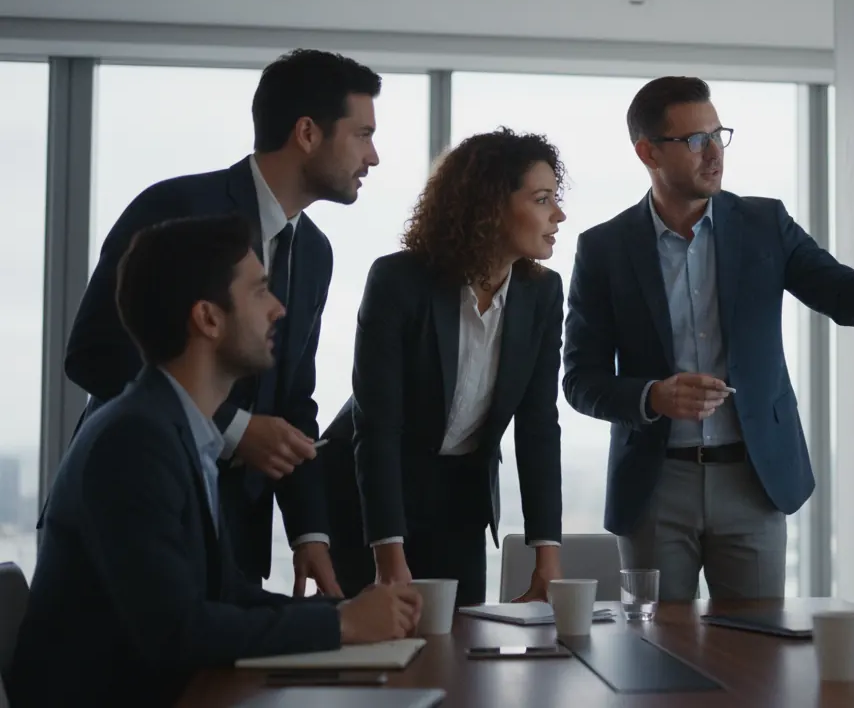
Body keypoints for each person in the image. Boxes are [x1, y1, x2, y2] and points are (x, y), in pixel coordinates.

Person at [562, 76, 854, 601]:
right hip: (654, 485)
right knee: (655, 646)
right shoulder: (604, 248)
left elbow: (848, 298)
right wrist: (653, 396)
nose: (715, 153)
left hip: (753, 479)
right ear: (648, 152)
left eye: (719, 135)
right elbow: (581, 380)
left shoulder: (765, 223)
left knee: (756, 644)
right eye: (695, 140)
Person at [6, 215, 421, 708]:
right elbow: (178, 630)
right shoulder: (135, 442)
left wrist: (345, 612)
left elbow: (225, 596)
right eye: (259, 291)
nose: (278, 309)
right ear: (208, 318)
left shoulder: (178, 430)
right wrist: (341, 625)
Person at [62, 48, 383, 596]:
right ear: (307, 133)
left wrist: (309, 532)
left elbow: (292, 400)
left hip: (235, 544)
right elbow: (94, 352)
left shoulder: (315, 252)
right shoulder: (179, 207)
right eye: (363, 134)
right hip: (131, 522)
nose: (373, 156)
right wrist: (234, 430)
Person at [321, 128, 567, 605]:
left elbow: (538, 425)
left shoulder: (542, 293)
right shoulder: (399, 281)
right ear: (490, 205)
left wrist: (548, 559)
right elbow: (377, 427)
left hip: (460, 494)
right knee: (382, 638)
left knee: (462, 639)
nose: (558, 215)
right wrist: (389, 561)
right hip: (368, 496)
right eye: (542, 200)